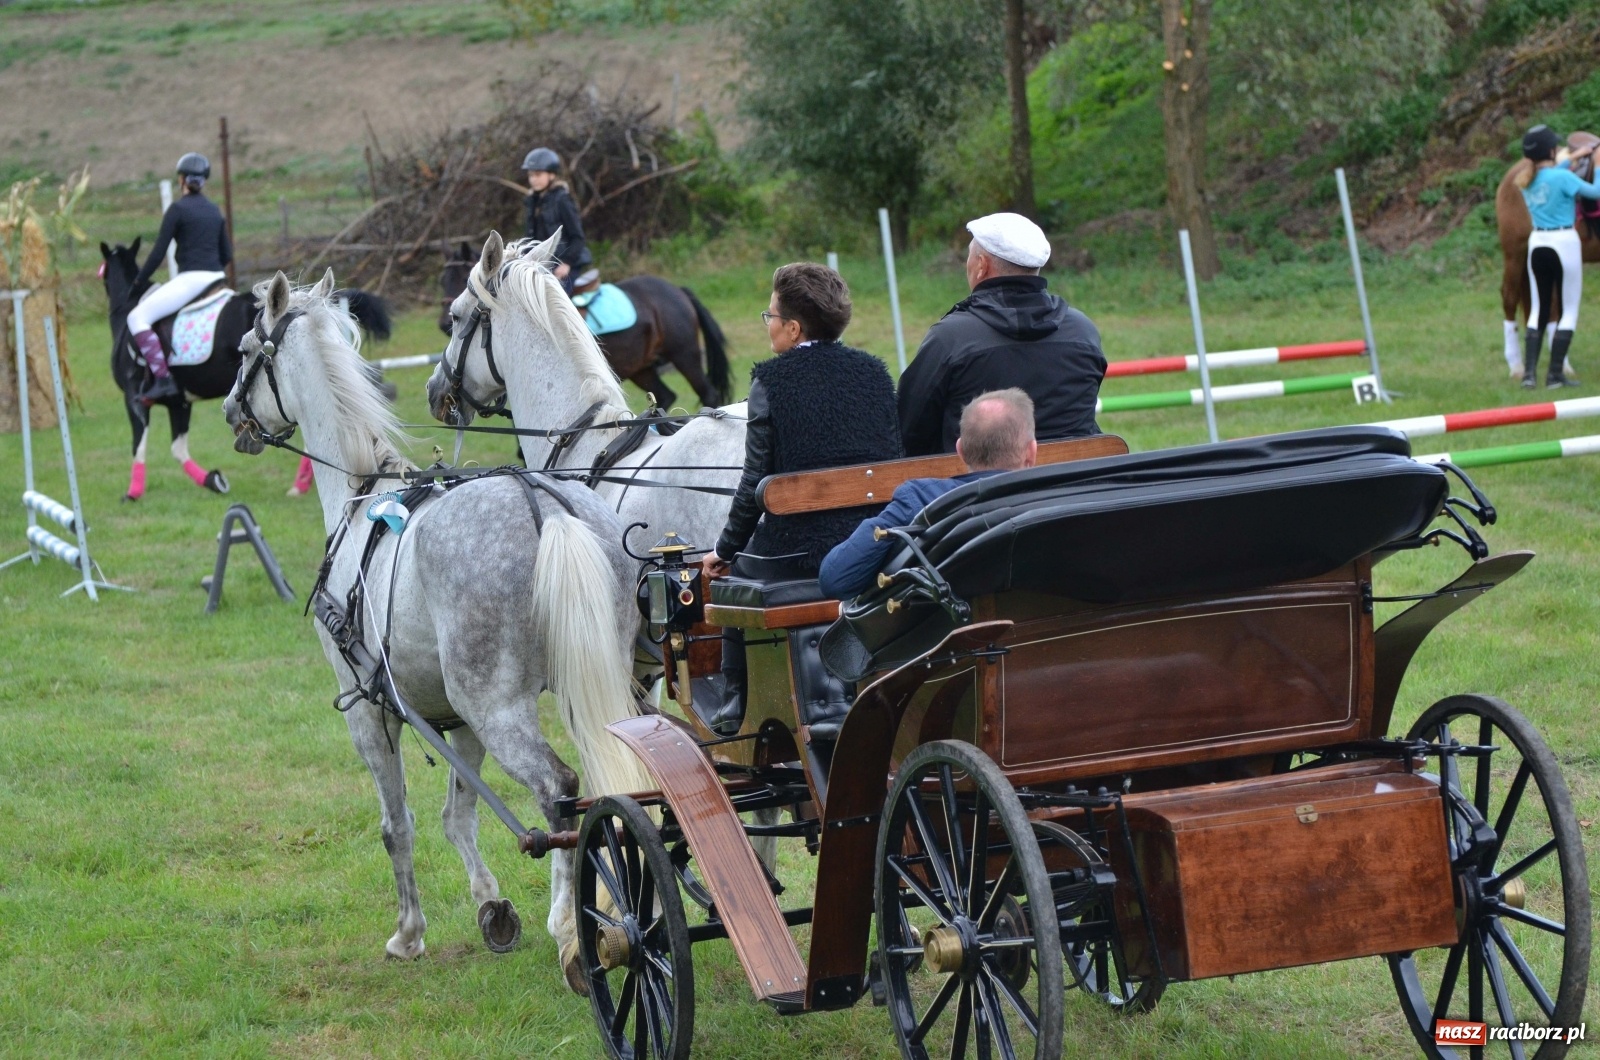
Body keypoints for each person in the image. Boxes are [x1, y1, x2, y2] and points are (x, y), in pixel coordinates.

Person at [700, 262, 902, 735]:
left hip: (797, 553)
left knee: (736, 569)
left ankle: (735, 696)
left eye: (769, 315)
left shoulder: (772, 382)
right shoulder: (874, 373)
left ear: (792, 328)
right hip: (871, 544)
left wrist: (724, 550)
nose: (767, 323)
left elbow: (755, 483)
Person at [898, 212, 1105, 456]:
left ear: (981, 266)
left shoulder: (950, 339)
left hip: (973, 489)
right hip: (1069, 487)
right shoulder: (1083, 332)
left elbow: (909, 430)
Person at [821, 388, 1039, 599]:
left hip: (951, 629)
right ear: (1031, 451)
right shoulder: (1055, 496)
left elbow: (837, 578)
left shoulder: (922, 499)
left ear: (961, 450)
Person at [127, 153, 233, 404]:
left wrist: (138, 284)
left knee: (137, 318)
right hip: (218, 279)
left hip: (191, 281)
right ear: (204, 182)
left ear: (181, 180)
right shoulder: (214, 210)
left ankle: (163, 379)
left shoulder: (177, 210)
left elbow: (157, 254)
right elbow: (227, 254)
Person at [1517, 124, 1600, 389]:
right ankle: (1554, 375)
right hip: (1564, 243)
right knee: (1569, 309)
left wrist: (1573, 158)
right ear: (1553, 150)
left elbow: (1551, 175)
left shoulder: (1524, 179)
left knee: (1538, 309)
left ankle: (1529, 375)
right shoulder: (1562, 179)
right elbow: (1596, 192)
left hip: (1537, 242)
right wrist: (1597, 165)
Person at [521, 147, 592, 295]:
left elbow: (578, 237)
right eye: (531, 175)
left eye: (538, 174)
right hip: (543, 266)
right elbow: (531, 239)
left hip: (566, 266)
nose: (533, 179)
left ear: (552, 174)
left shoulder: (562, 200)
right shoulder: (532, 201)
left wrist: (567, 263)